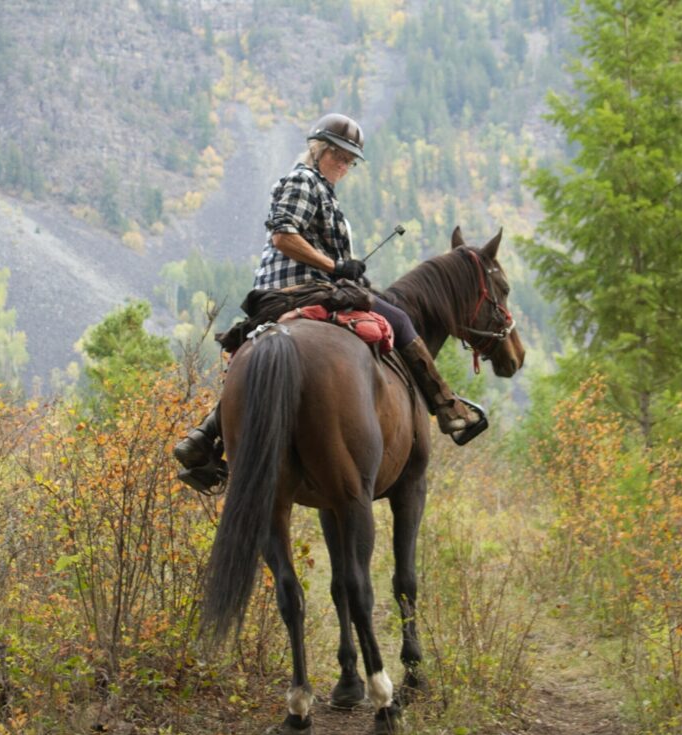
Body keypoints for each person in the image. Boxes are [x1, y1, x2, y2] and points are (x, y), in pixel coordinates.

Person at [173, 113, 481, 491]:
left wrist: (347, 271)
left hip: (303, 286)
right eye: (338, 156)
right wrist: (336, 266)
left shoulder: (320, 188)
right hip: (300, 288)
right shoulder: (303, 180)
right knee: (399, 321)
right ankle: (448, 408)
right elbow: (284, 237)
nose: (345, 165)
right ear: (317, 151)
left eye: (350, 160)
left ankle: (206, 435)